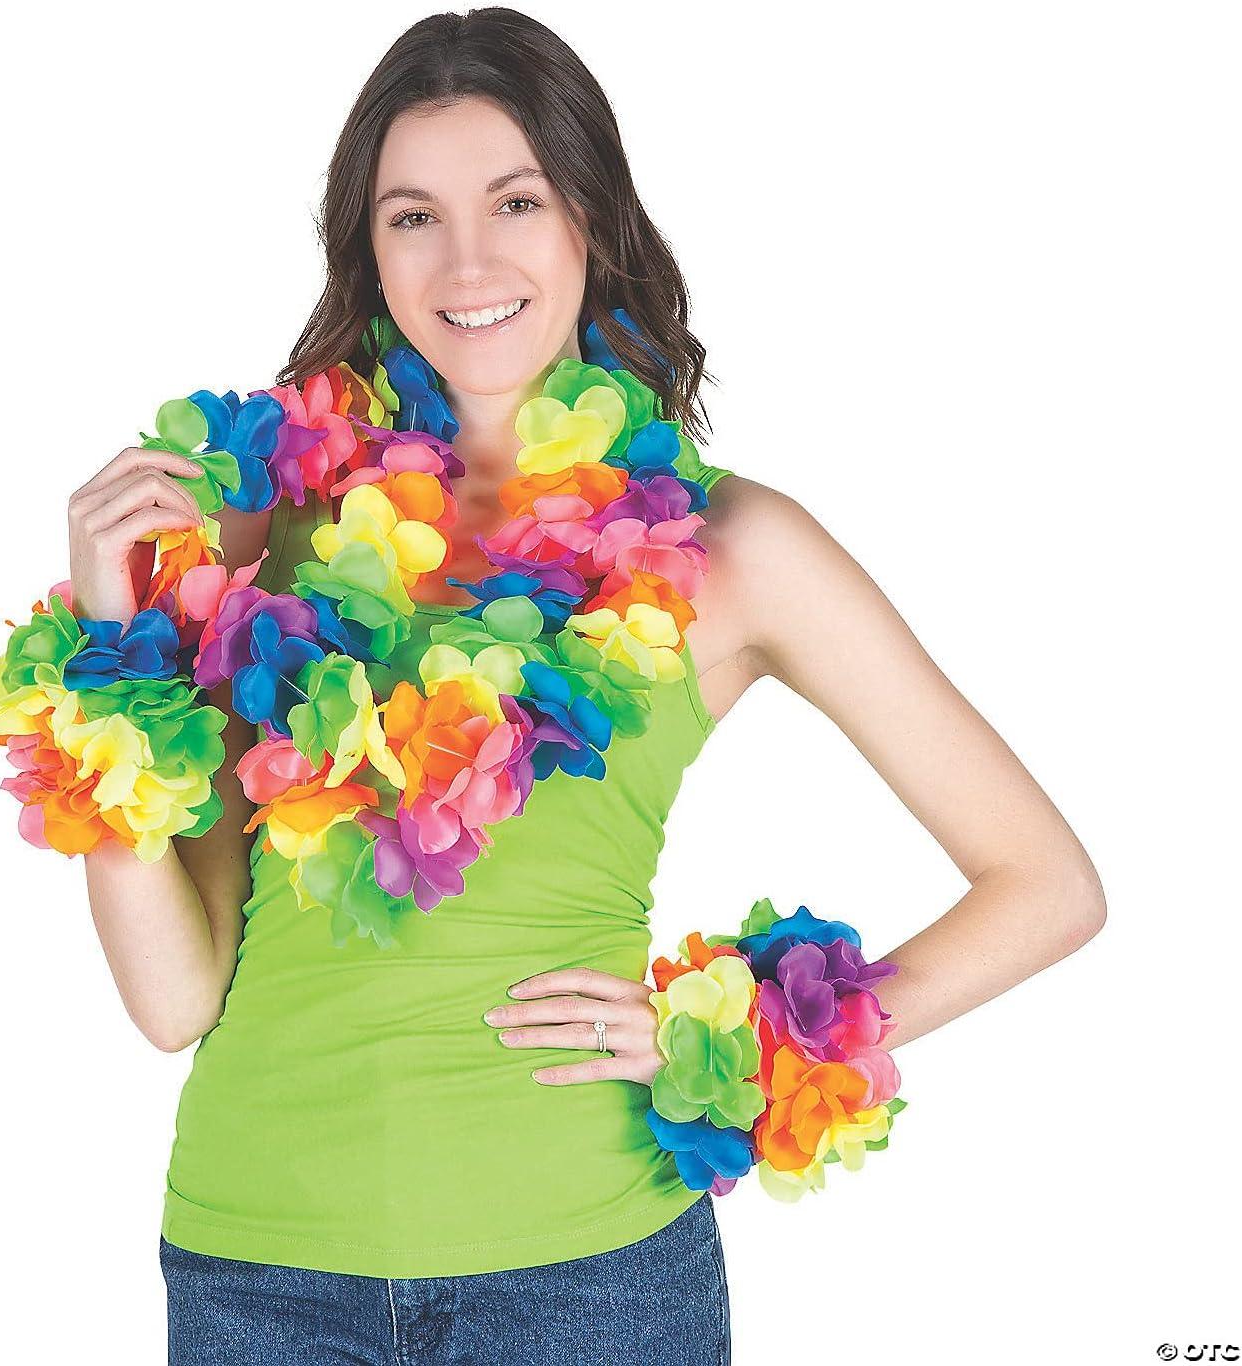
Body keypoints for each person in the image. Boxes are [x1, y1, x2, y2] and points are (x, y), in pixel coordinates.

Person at [64, 9, 1106, 1365]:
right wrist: (112, 653)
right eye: (413, 217)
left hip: (585, 1280)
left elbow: (1047, 885)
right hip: (255, 1271)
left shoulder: (736, 549)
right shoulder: (270, 528)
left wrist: (733, 1040)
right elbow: (173, 1002)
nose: (469, 262)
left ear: (590, 220)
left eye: (516, 202)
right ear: (368, 251)